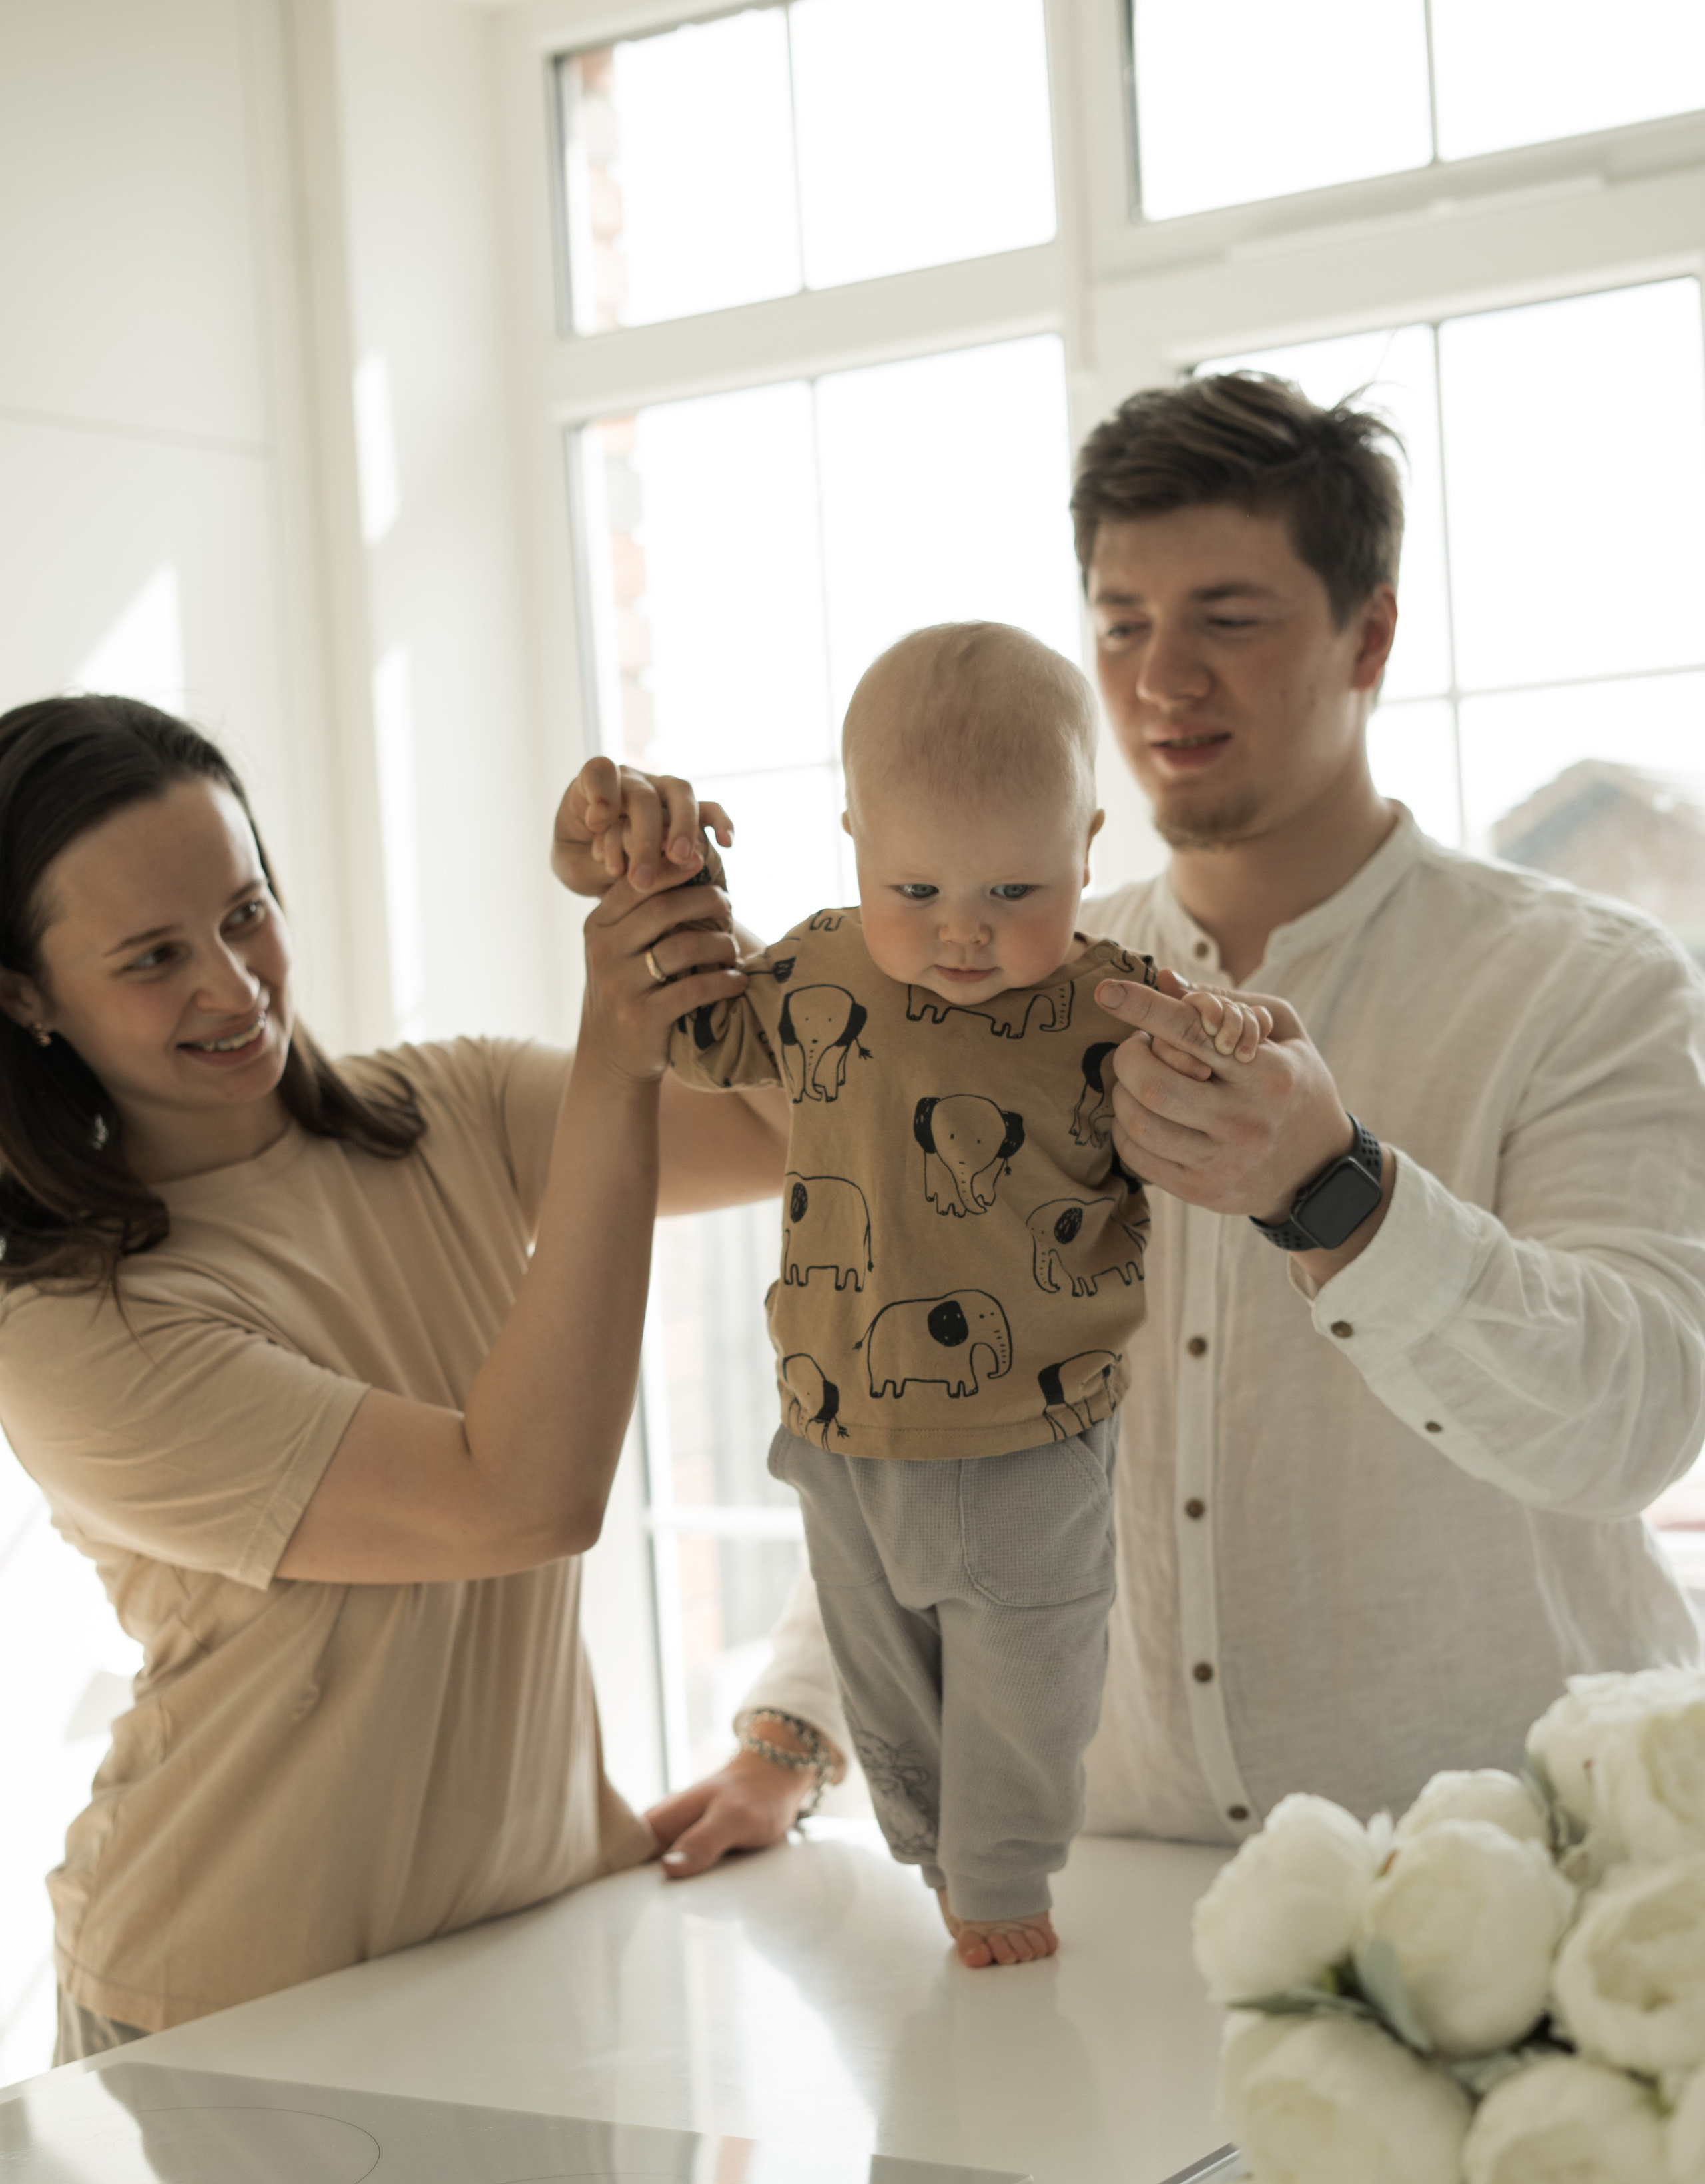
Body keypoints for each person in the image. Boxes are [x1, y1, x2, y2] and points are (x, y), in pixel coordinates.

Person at [645, 369, 1705, 1880]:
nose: (1159, 680)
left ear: (1370, 634)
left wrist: (1335, 1195)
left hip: (1522, 1884)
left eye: (1227, 615)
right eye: (1122, 622)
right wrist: (794, 1732)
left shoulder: (1582, 986)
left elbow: (1636, 1416)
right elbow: (933, 1399)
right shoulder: (977, 991)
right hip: (1112, 1894)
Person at [0, 693, 783, 2059]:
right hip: (234, 2010)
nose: (232, 985)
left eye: (245, 913)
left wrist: (679, 906)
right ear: (24, 997)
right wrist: (616, 1040)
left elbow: (802, 1127)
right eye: (150, 957)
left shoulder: (448, 1108)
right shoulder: (70, 1327)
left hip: (539, 1934)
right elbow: (521, 1501)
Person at [658, 622, 1266, 1964]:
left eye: (1010, 892)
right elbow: (693, 1033)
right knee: (883, 1675)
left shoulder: (1108, 1000)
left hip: (1033, 1424)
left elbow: (1222, 1064)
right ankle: (932, 1847)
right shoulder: (814, 969)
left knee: (1029, 1665)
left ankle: (999, 1869)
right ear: (852, 844)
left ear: (1085, 852)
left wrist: (1236, 1042)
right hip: (836, 1415)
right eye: (916, 886)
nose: (961, 933)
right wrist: (672, 893)